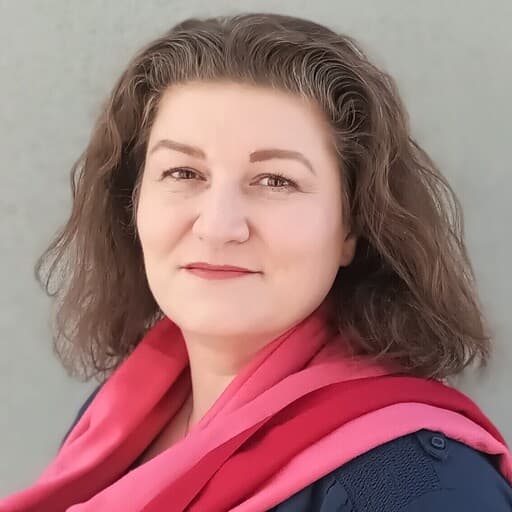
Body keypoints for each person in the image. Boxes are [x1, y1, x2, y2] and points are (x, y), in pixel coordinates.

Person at [2, 12, 512, 512]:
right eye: (183, 172)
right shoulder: (114, 423)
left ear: (352, 227)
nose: (218, 226)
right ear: (131, 203)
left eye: (276, 181)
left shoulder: (417, 488)